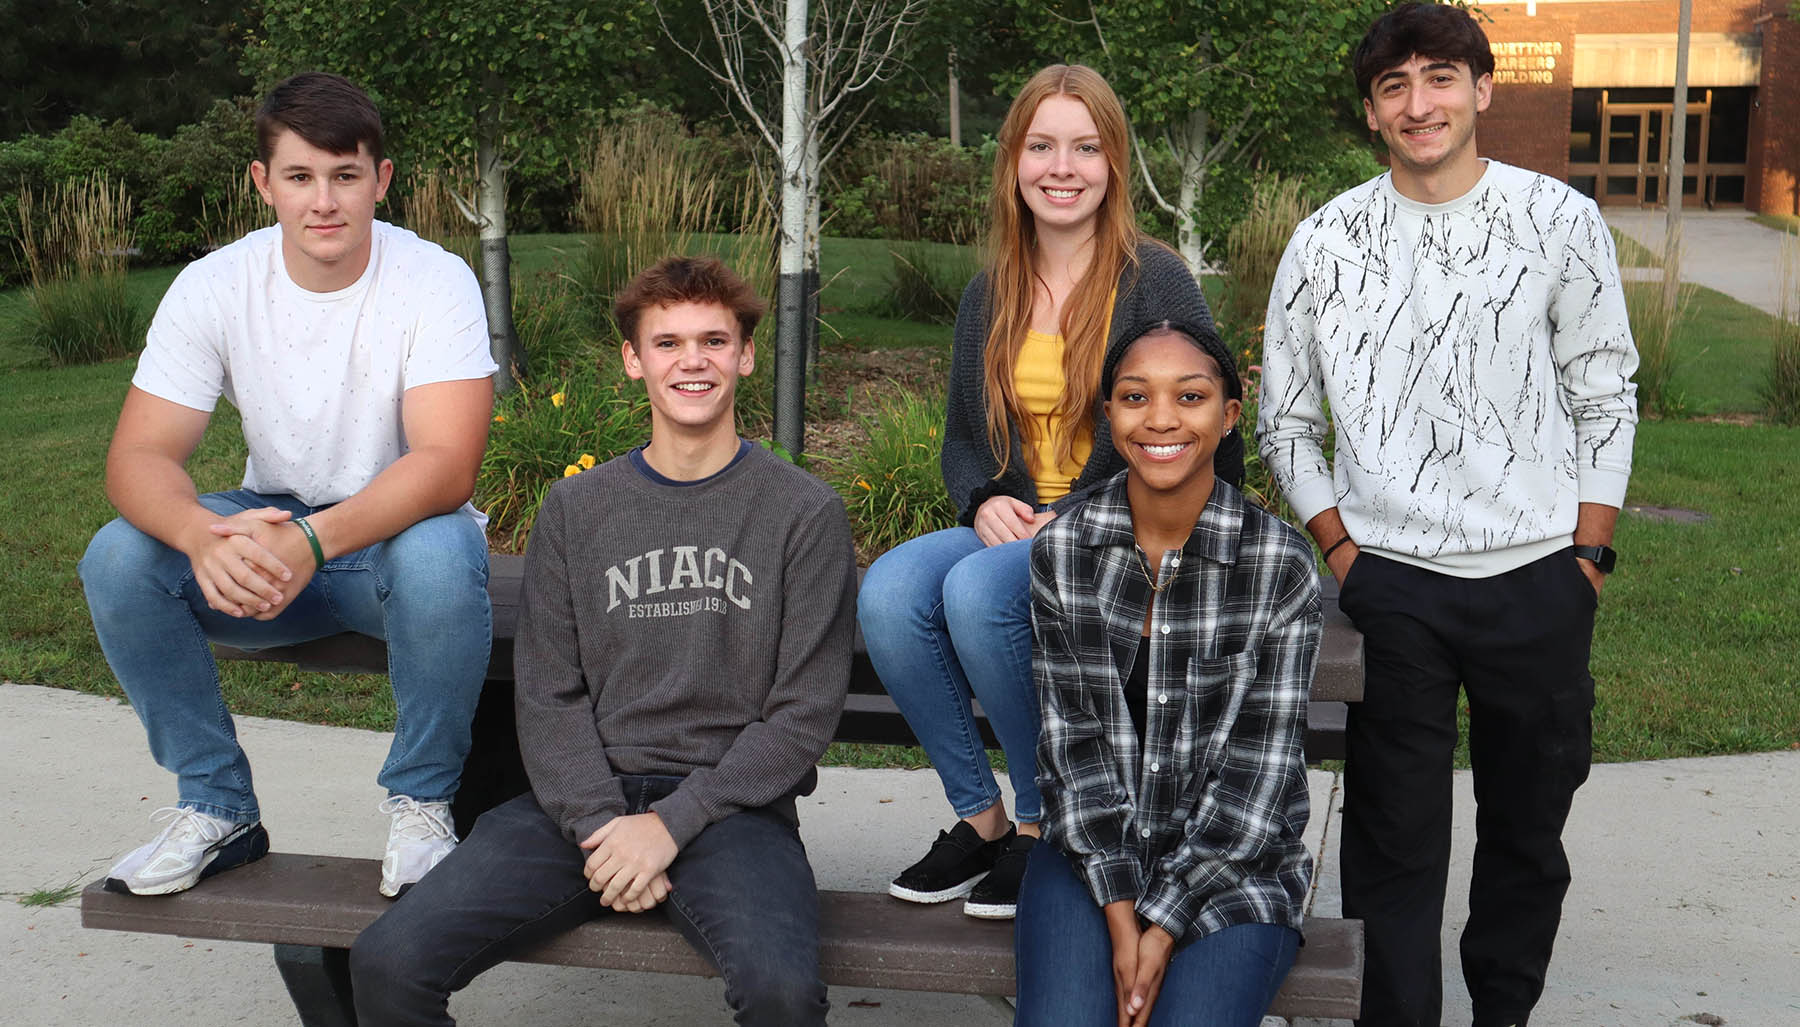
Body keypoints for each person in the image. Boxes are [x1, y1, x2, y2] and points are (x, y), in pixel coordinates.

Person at [347, 256, 857, 1026]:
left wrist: (668, 827)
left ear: (747, 356)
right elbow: (549, 691)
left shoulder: (804, 514)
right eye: (668, 342)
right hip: (580, 805)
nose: (693, 360)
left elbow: (801, 717)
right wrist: (601, 825)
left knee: (782, 995)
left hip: (733, 813)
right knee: (387, 961)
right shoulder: (577, 508)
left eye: (715, 341)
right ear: (633, 359)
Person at [1257, 5, 1640, 1025]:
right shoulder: (1327, 240)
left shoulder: (1558, 218)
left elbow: (1605, 392)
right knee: (1393, 838)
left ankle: (1503, 1011)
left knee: (1527, 829)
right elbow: (1285, 420)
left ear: (1482, 87)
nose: (1417, 102)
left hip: (1539, 578)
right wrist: (1343, 552)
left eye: (1438, 77)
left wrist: (1588, 552)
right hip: (1392, 586)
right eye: (1393, 87)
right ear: (1373, 114)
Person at [79, 72, 497, 899]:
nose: (324, 201)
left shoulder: (433, 278)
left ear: (381, 179)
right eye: (300, 177)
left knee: (445, 553)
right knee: (120, 556)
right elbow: (138, 458)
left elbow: (447, 465)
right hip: (273, 537)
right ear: (262, 182)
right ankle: (216, 803)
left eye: (346, 175)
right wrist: (203, 535)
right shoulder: (215, 284)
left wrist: (314, 541)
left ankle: (422, 805)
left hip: (394, 547)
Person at [857, 64, 1218, 921]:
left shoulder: (1155, 280)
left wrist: (1082, 511)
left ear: (1114, 163)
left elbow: (1195, 428)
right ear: (1014, 161)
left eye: (1086, 147)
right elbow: (961, 436)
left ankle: (1044, 818)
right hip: (1026, 518)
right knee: (890, 591)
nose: (1064, 166)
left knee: (979, 592)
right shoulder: (994, 289)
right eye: (1043, 145)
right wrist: (982, 495)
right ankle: (980, 818)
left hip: (1136, 524)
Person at [1019, 321, 1318, 1027]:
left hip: (1232, 869)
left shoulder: (1278, 566)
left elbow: (1258, 778)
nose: (1160, 419)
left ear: (1228, 415)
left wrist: (1163, 925)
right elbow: (1072, 750)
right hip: (1089, 857)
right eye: (1134, 396)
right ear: (1109, 414)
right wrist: (1125, 921)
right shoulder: (1065, 550)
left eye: (1190, 396)